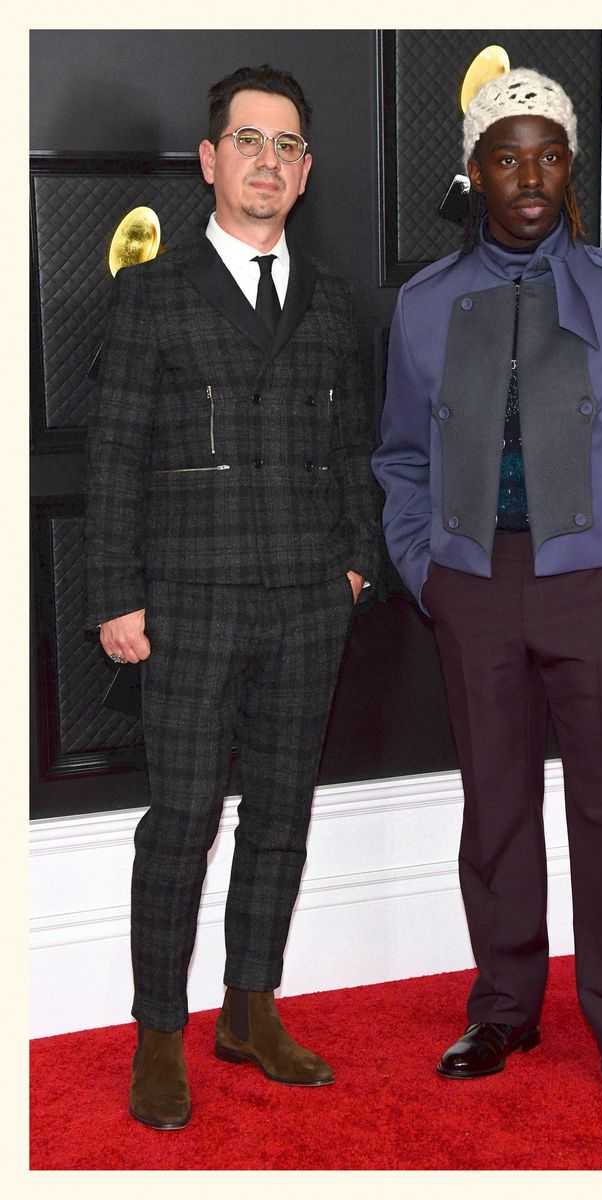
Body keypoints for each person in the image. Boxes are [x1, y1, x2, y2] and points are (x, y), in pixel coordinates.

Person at [372, 67, 602, 1118]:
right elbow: (399, 458)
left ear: (570, 171)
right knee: (495, 804)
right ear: (473, 173)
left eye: (548, 157)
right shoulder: (423, 305)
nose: (529, 178)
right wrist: (426, 567)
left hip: (593, 589)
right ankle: (505, 1005)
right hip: (472, 589)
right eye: (507, 159)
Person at [85, 63, 380, 1130]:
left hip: (308, 601)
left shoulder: (332, 298)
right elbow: (113, 457)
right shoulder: (151, 294)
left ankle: (251, 1010)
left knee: (282, 814)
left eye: (286, 146)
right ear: (210, 161)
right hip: (189, 605)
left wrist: (355, 563)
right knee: (181, 822)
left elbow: (354, 447)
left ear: (305, 171)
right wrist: (115, 596)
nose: (268, 161)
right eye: (248, 141)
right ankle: (159, 1034)